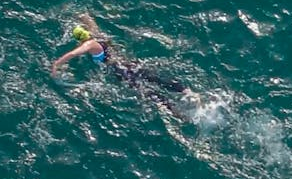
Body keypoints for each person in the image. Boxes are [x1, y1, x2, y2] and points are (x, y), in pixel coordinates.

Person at [49, 17, 189, 111]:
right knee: (156, 79)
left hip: (120, 70)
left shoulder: (90, 44)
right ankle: (187, 92)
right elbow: (90, 20)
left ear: (79, 39)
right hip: (129, 63)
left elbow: (73, 53)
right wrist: (82, 17)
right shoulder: (97, 36)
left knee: (148, 93)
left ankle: (176, 113)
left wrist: (56, 64)